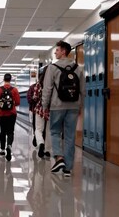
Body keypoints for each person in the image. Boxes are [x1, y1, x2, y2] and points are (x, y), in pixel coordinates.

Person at [42, 41, 85, 177]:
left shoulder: (52, 68)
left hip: (57, 105)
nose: (55, 53)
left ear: (64, 51)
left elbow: (47, 89)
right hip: (73, 105)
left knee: (54, 132)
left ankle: (59, 158)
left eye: (58, 50)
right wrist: (80, 106)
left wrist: (44, 106)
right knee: (70, 135)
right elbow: (83, 90)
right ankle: (68, 169)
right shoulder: (78, 68)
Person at [0, 73, 20, 161]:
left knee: (2, 131)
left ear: (3, 79)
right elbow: (17, 102)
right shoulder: (14, 90)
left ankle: (2, 150)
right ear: (10, 80)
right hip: (12, 114)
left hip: (1, 114)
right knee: (10, 131)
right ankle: (9, 146)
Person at [33, 65, 52, 159]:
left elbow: (35, 97)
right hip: (51, 109)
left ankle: (41, 143)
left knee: (38, 129)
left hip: (40, 108)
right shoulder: (54, 82)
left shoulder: (39, 83)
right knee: (48, 130)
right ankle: (47, 150)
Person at [27, 82, 38, 147]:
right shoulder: (47, 86)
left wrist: (34, 101)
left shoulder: (33, 87)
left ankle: (36, 137)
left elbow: (29, 98)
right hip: (44, 111)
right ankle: (37, 138)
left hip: (35, 109)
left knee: (35, 125)